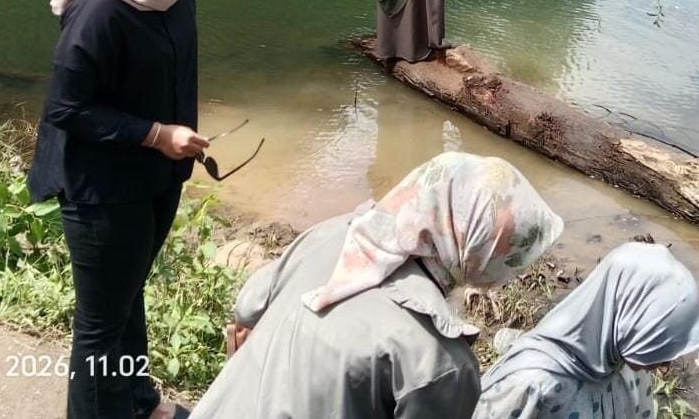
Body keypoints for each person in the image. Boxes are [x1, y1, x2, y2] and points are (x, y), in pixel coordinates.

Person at [26, 0, 221, 419]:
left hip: (155, 177)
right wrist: (159, 134)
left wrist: (173, 144)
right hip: (101, 188)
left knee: (129, 293)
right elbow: (66, 108)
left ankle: (139, 402)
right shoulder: (99, 11)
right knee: (100, 326)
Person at [192, 151, 564, 419]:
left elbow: (245, 312)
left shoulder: (334, 233)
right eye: (514, 256)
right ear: (479, 250)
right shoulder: (441, 361)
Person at [472, 242, 699, 419]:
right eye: (659, 345)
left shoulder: (624, 365)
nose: (666, 365)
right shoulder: (533, 385)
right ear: (625, 321)